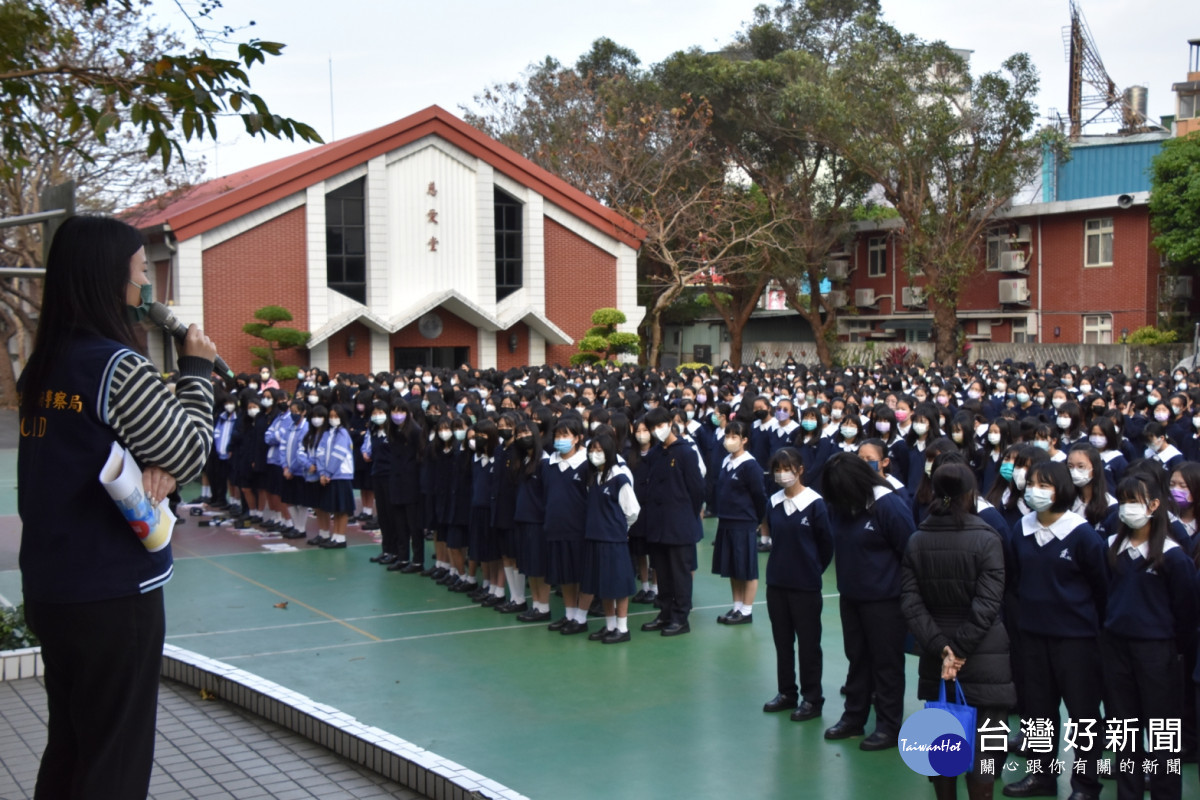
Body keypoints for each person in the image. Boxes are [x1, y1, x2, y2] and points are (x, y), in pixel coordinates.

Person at [18, 215, 217, 799]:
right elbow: (190, 450)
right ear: (109, 280)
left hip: (53, 586)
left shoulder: (44, 364)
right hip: (112, 595)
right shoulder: (116, 365)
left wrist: (155, 460)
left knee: (71, 747)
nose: (145, 292)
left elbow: (86, 450)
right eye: (138, 274)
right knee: (116, 760)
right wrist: (198, 370)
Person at [901, 463, 1014, 800]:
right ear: (971, 494)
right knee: (988, 750)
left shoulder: (917, 539)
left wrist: (941, 648)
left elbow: (910, 601)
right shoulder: (987, 538)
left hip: (937, 661)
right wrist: (960, 650)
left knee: (942, 745)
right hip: (985, 659)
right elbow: (988, 602)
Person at [1102, 475, 1196, 800]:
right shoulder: (1113, 549)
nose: (1127, 508)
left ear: (1155, 505)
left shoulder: (1173, 557)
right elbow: (1106, 597)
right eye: (1124, 500)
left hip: (1158, 653)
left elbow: (1186, 611)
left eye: (1135, 500)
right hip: (1116, 649)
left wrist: (1171, 647)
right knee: (1123, 732)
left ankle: (1165, 793)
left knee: (1162, 736)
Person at [820, 453, 914, 751]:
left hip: (885, 602)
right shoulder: (842, 506)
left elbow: (909, 552)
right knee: (857, 659)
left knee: (886, 663)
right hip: (851, 596)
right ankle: (854, 717)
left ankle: (888, 725)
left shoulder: (888, 506)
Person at [761, 447, 834, 723]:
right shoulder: (774, 502)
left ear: (800, 470)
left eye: (787, 467)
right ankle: (786, 693)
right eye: (777, 468)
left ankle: (812, 698)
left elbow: (826, 545)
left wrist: (812, 569)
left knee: (808, 644)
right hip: (777, 583)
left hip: (805, 586)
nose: (782, 473)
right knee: (783, 642)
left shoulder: (815, 504)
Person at [640, 407, 705, 637]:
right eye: (652, 427)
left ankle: (680, 617)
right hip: (657, 524)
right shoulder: (656, 453)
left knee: (680, 573)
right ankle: (665, 612)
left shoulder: (686, 452)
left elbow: (697, 489)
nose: (657, 431)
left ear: (670, 423)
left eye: (660, 425)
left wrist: (688, 513)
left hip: (679, 524)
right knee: (662, 571)